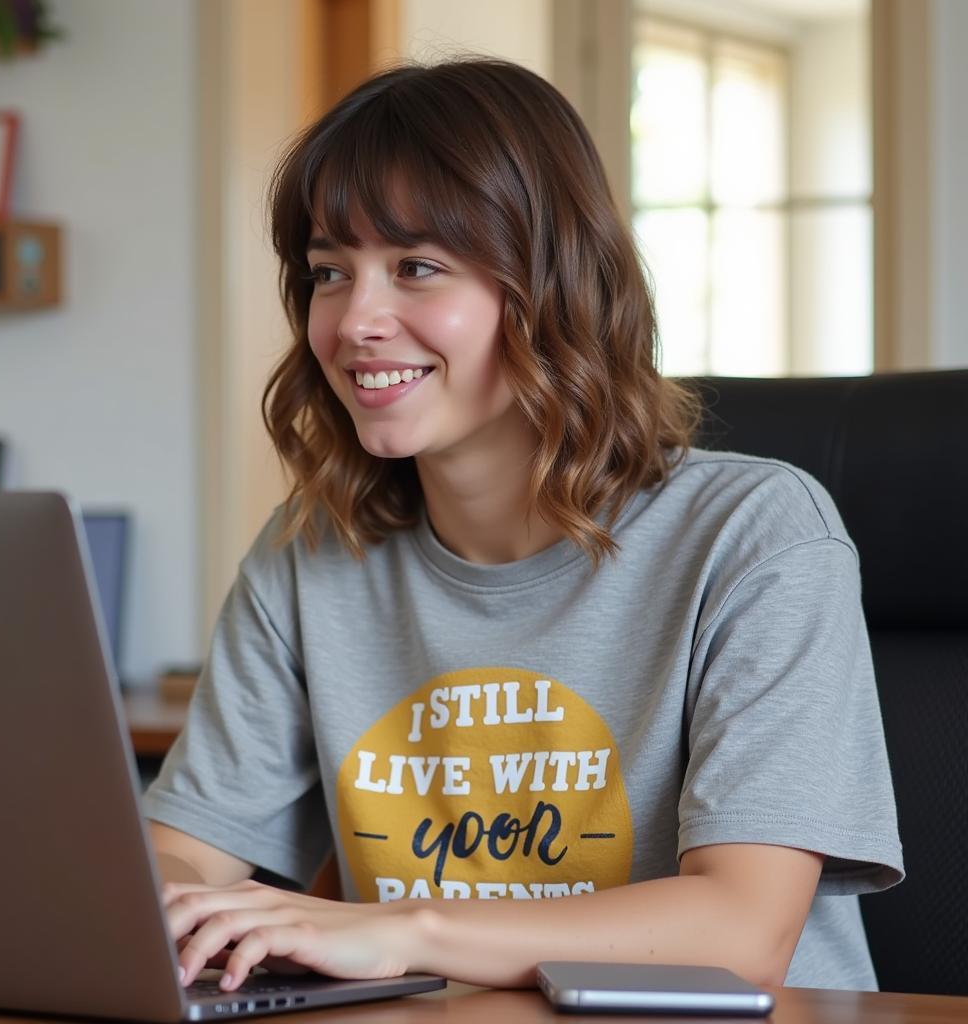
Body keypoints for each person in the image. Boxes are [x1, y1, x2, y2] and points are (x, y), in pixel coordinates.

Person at [142, 57, 902, 994]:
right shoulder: (312, 549)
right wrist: (168, 903)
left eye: (416, 267)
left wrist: (395, 930)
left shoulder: (756, 533)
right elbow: (178, 853)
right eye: (329, 273)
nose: (352, 322)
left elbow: (742, 929)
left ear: (553, 286)